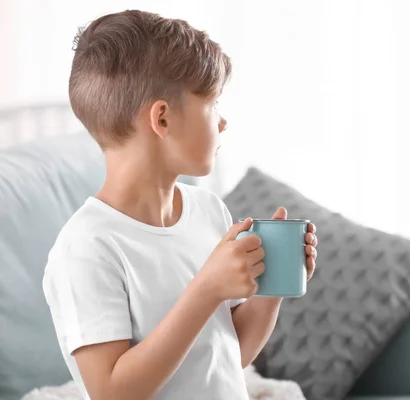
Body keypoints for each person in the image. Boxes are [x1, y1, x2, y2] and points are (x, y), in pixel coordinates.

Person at [42, 9, 318, 400]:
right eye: (213, 104)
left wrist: (271, 284)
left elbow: (228, 354)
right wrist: (206, 289)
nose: (223, 123)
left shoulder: (208, 210)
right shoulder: (87, 247)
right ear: (163, 119)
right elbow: (113, 392)